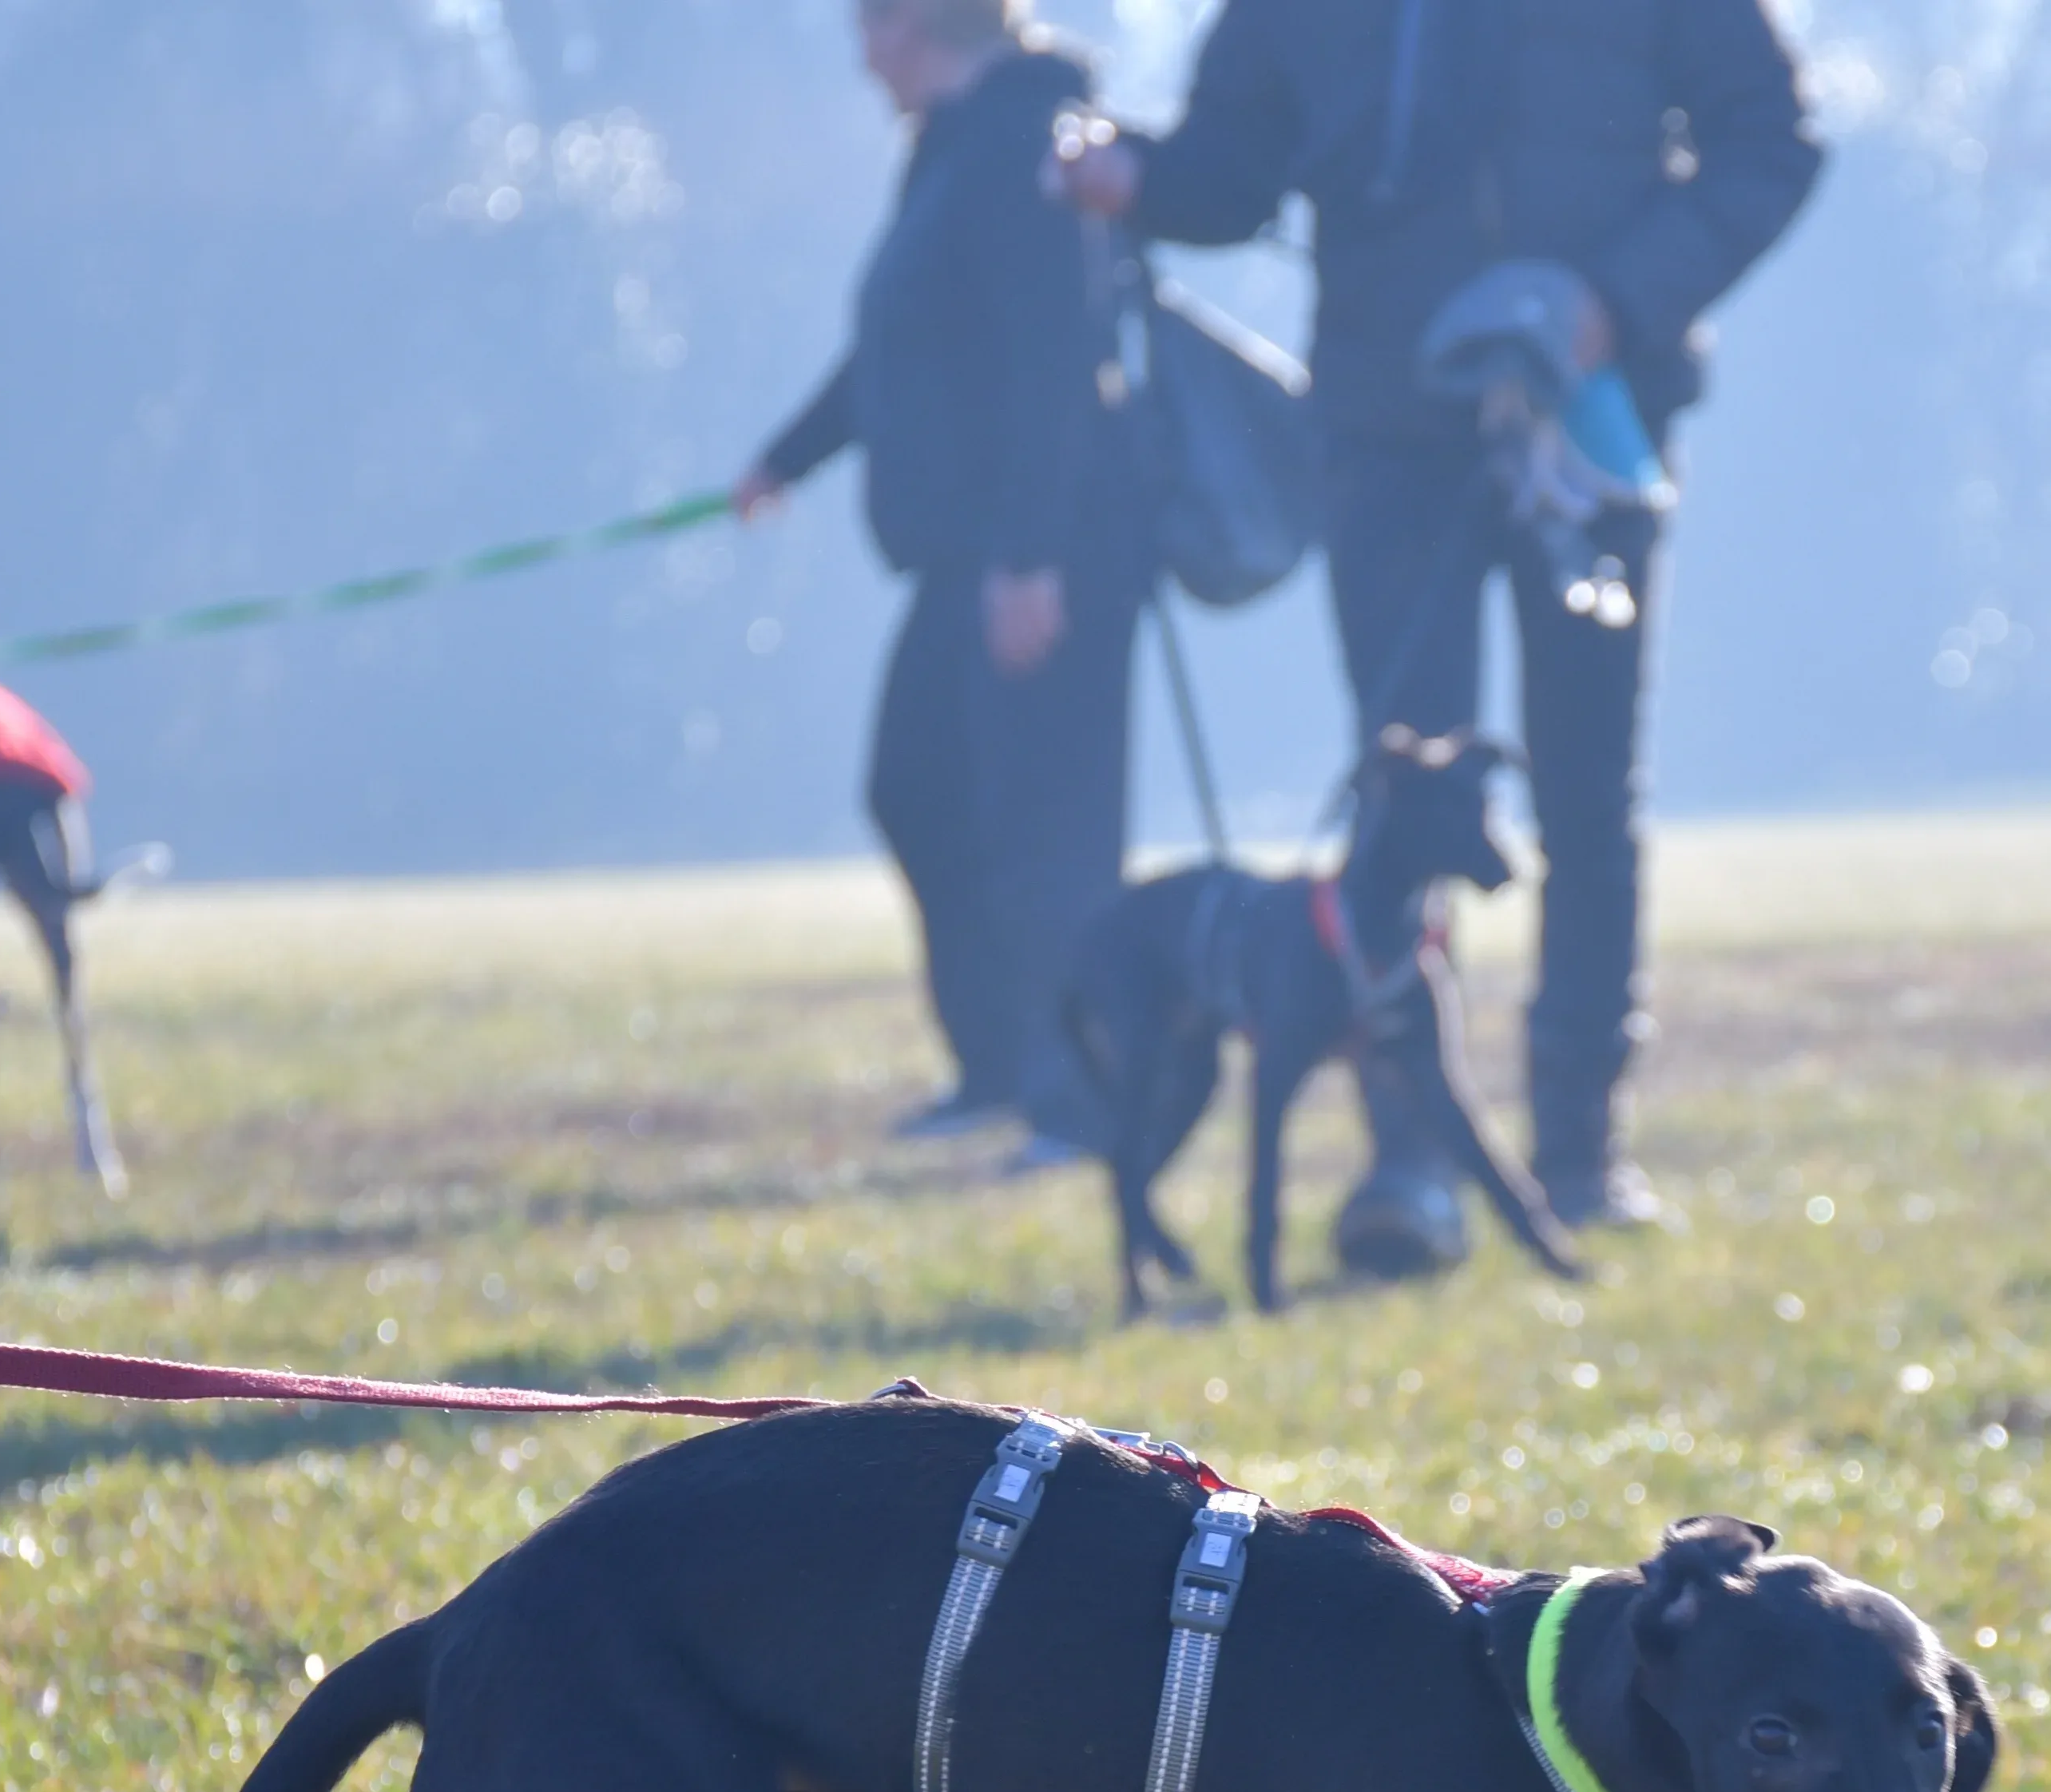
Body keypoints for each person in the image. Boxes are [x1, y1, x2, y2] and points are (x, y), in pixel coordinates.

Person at [1059, 0, 1820, 1241]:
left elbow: (1772, 141)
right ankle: (1410, 1165)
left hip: (1591, 413)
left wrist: (1612, 301)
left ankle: (1580, 1152)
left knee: (1585, 792)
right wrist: (1136, 175)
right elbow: (1233, 167)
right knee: (1404, 790)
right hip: (1385, 424)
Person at [740, 0, 1137, 1157]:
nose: (861, 57)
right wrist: (785, 458)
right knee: (920, 792)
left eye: (869, 27)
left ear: (918, 18)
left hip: (1041, 557)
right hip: (965, 562)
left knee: (1044, 835)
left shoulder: (1027, 139)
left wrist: (1031, 560)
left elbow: (1054, 361)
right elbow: (896, 349)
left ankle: (1082, 1100)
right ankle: (1000, 1069)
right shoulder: (947, 149)